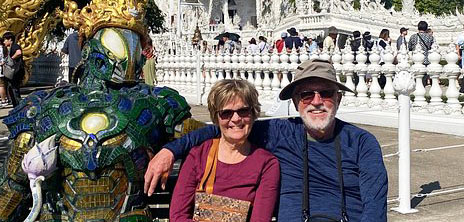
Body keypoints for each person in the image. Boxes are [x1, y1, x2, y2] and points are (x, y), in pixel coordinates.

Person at [146, 59, 388, 221]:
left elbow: (375, 209)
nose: (316, 101)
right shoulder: (280, 132)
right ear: (295, 102)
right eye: (306, 95)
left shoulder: (362, 143)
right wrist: (170, 151)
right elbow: (223, 130)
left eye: (325, 93)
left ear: (338, 99)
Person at [169, 80, 280, 222]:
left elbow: (260, 219)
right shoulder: (198, 156)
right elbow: (178, 216)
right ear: (216, 117)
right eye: (226, 113)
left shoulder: (266, 163)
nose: (236, 119)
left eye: (243, 111)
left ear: (253, 113)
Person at [3, 31, 24, 106]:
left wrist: (11, 59)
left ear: (10, 40)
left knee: (14, 89)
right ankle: (15, 104)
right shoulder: (11, 47)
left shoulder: (15, 46)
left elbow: (18, 53)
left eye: (5, 40)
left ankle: (18, 105)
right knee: (11, 88)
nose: (4, 42)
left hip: (16, 71)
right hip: (15, 71)